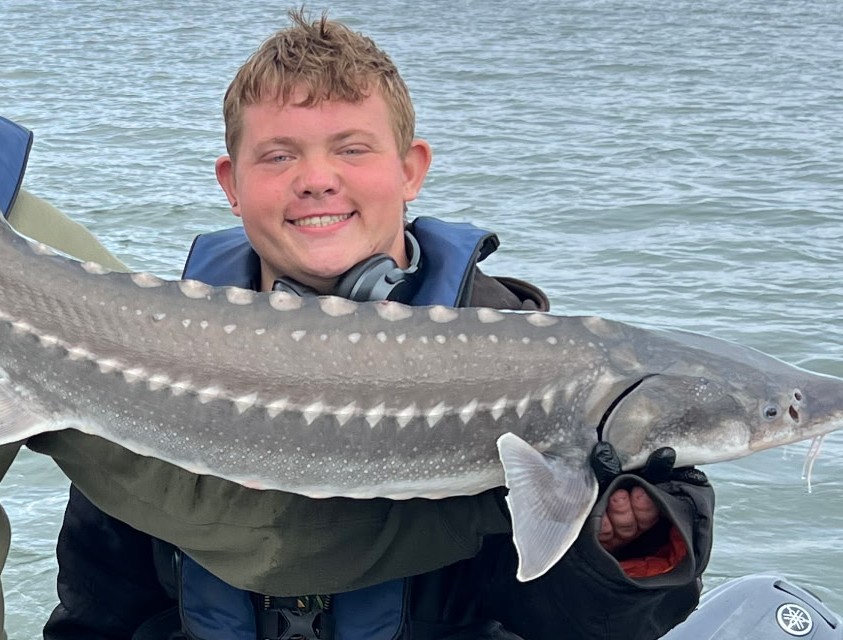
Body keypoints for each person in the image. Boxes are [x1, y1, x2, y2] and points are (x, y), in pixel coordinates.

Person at [24, 9, 714, 640]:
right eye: (278, 155)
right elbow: (100, 601)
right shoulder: (143, 346)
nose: (316, 178)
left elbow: (593, 623)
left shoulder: (516, 341)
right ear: (230, 184)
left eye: (352, 149)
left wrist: (624, 535)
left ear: (410, 170)